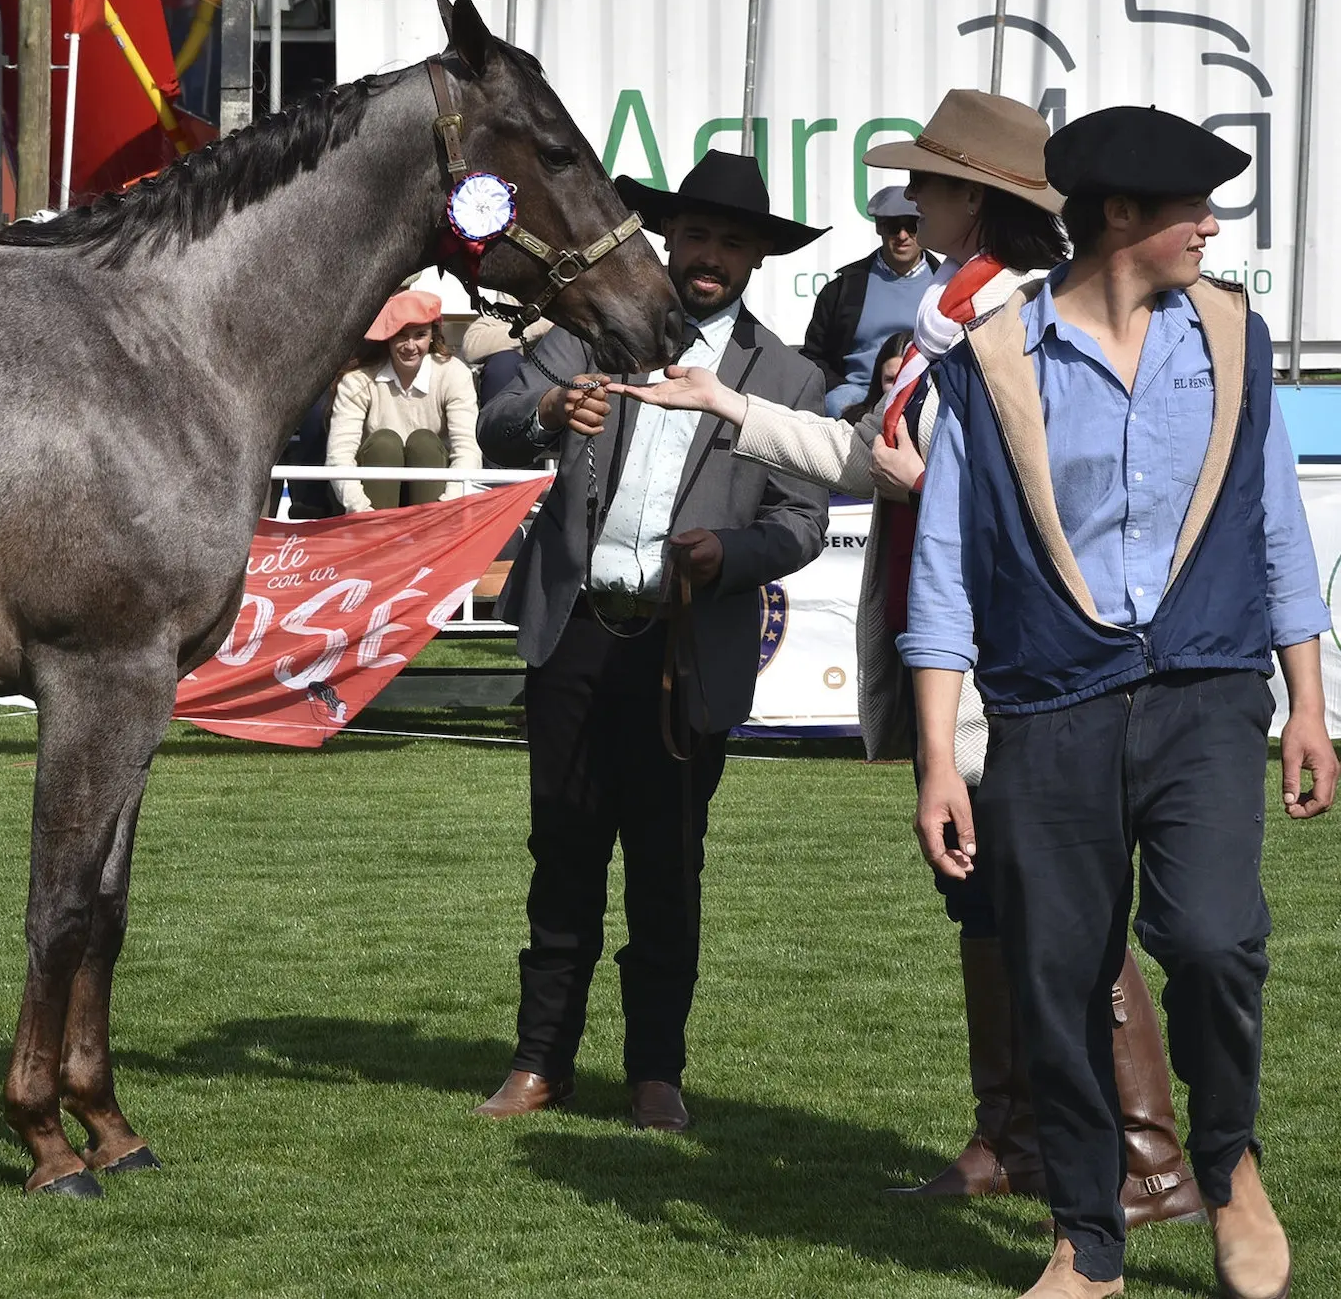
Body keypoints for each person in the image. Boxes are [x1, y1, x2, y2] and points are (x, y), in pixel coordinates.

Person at [606, 90, 1200, 1232]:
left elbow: (953, 471)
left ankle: (1145, 1157)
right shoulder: (960, 312)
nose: (911, 200)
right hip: (962, 631)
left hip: (1014, 645)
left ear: (974, 197)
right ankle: (1022, 1136)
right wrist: (726, 400)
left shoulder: (1014, 316)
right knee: (984, 885)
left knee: (1045, 887)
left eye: (928, 182)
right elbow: (886, 460)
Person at [902, 105, 1335, 1298]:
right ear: (1117, 218)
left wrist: (1308, 703)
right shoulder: (988, 366)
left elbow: (1278, 532)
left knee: (1210, 940)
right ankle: (1088, 1238)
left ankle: (1229, 1160)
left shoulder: (1235, 344)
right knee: (1059, 968)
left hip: (1208, 692)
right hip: (1048, 708)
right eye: (1190, 205)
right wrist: (940, 760)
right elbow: (945, 574)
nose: (1210, 225)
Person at [471, 150, 830, 1132]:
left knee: (669, 869)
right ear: (669, 239)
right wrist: (550, 407)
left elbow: (802, 519)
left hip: (686, 652)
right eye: (698, 235)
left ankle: (655, 1073)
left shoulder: (789, 377)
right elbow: (500, 418)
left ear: (759, 258)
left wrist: (733, 551)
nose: (710, 255)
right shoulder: (596, 328)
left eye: (732, 241)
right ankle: (540, 1062)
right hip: (578, 632)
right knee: (562, 856)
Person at [326, 290, 481, 513]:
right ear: (388, 336)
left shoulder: (455, 374)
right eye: (401, 335)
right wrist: (362, 511)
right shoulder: (357, 381)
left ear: (432, 336)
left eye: (419, 335)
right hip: (371, 500)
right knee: (384, 443)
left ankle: (429, 534)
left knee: (424, 443)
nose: (410, 346)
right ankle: (377, 534)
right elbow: (339, 456)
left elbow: (468, 450)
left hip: (436, 501)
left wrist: (445, 507)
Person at [802, 185, 940, 417]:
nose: (903, 235)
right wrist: (839, 387)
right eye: (894, 227)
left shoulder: (946, 284)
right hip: (859, 395)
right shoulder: (842, 289)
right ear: (879, 228)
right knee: (838, 402)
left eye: (912, 225)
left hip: (926, 393)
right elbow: (813, 355)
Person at [838, 328, 913, 424]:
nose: (897, 388)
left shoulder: (933, 425)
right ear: (879, 380)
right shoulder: (855, 421)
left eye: (905, 379)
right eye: (890, 379)